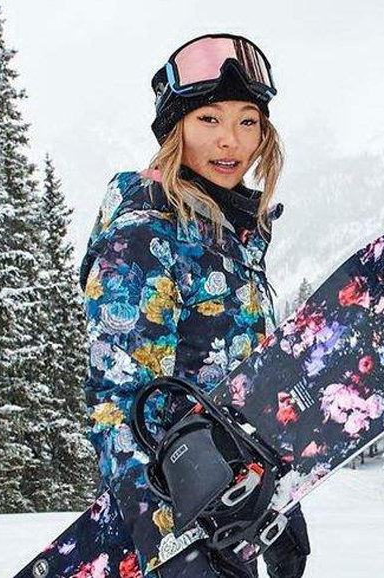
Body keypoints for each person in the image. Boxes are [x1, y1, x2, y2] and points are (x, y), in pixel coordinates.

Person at [79, 33, 310, 578]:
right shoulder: (143, 237)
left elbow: (242, 395)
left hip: (231, 521)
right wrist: (169, 549)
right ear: (175, 129)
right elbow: (120, 406)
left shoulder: (230, 238)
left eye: (248, 121)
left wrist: (280, 504)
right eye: (209, 119)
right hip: (174, 532)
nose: (231, 140)